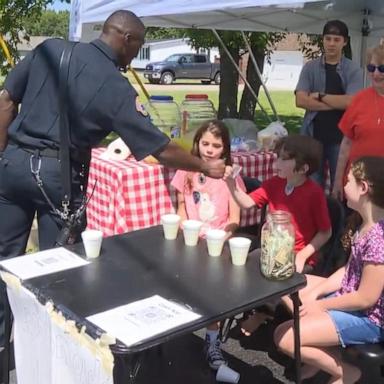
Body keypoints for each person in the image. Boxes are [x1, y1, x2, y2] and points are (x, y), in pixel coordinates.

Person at [0, 10, 225, 258]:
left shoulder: (49, 50)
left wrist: (4, 156)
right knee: (56, 265)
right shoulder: (116, 87)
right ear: (127, 38)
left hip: (13, 165)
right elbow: (160, 149)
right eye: (138, 46)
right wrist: (204, 166)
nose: (135, 55)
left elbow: (6, 101)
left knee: (4, 255)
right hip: (59, 178)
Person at [274, 156, 384, 384]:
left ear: (363, 188)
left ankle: (348, 373)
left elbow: (366, 298)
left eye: (348, 181)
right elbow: (348, 271)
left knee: (284, 338)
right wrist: (316, 292)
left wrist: (320, 305)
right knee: (288, 284)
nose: (343, 185)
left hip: (369, 319)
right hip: (348, 295)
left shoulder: (378, 239)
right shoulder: (365, 223)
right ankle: (320, 356)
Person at [224, 134, 331, 334]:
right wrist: (231, 184)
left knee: (276, 274)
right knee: (244, 264)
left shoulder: (314, 193)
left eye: (284, 158)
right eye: (278, 156)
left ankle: (268, 312)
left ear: (303, 168)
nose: (277, 162)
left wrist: (302, 255)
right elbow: (248, 203)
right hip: (272, 248)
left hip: (298, 254)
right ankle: (252, 308)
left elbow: (326, 232)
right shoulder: (274, 184)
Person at [171, 120, 244, 370]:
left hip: (217, 242)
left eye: (216, 145)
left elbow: (235, 219)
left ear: (225, 148)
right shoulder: (186, 171)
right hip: (191, 239)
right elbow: (181, 207)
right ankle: (175, 337)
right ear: (197, 143)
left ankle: (212, 342)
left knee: (213, 293)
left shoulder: (229, 177)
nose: (209, 150)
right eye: (205, 144)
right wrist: (183, 230)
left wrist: (222, 238)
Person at [295, 20, 363, 189]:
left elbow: (352, 102)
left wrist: (320, 96)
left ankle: (337, 216)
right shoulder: (310, 68)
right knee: (311, 186)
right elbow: (300, 100)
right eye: (328, 38)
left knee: (340, 186)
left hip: (341, 139)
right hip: (313, 136)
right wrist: (337, 102)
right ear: (323, 40)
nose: (331, 43)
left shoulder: (353, 70)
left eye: (336, 39)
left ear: (345, 42)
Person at [333, 42, 384, 201]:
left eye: (382, 68)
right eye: (371, 68)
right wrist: (337, 181)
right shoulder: (359, 99)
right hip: (357, 182)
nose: (376, 74)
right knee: (353, 225)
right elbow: (346, 145)